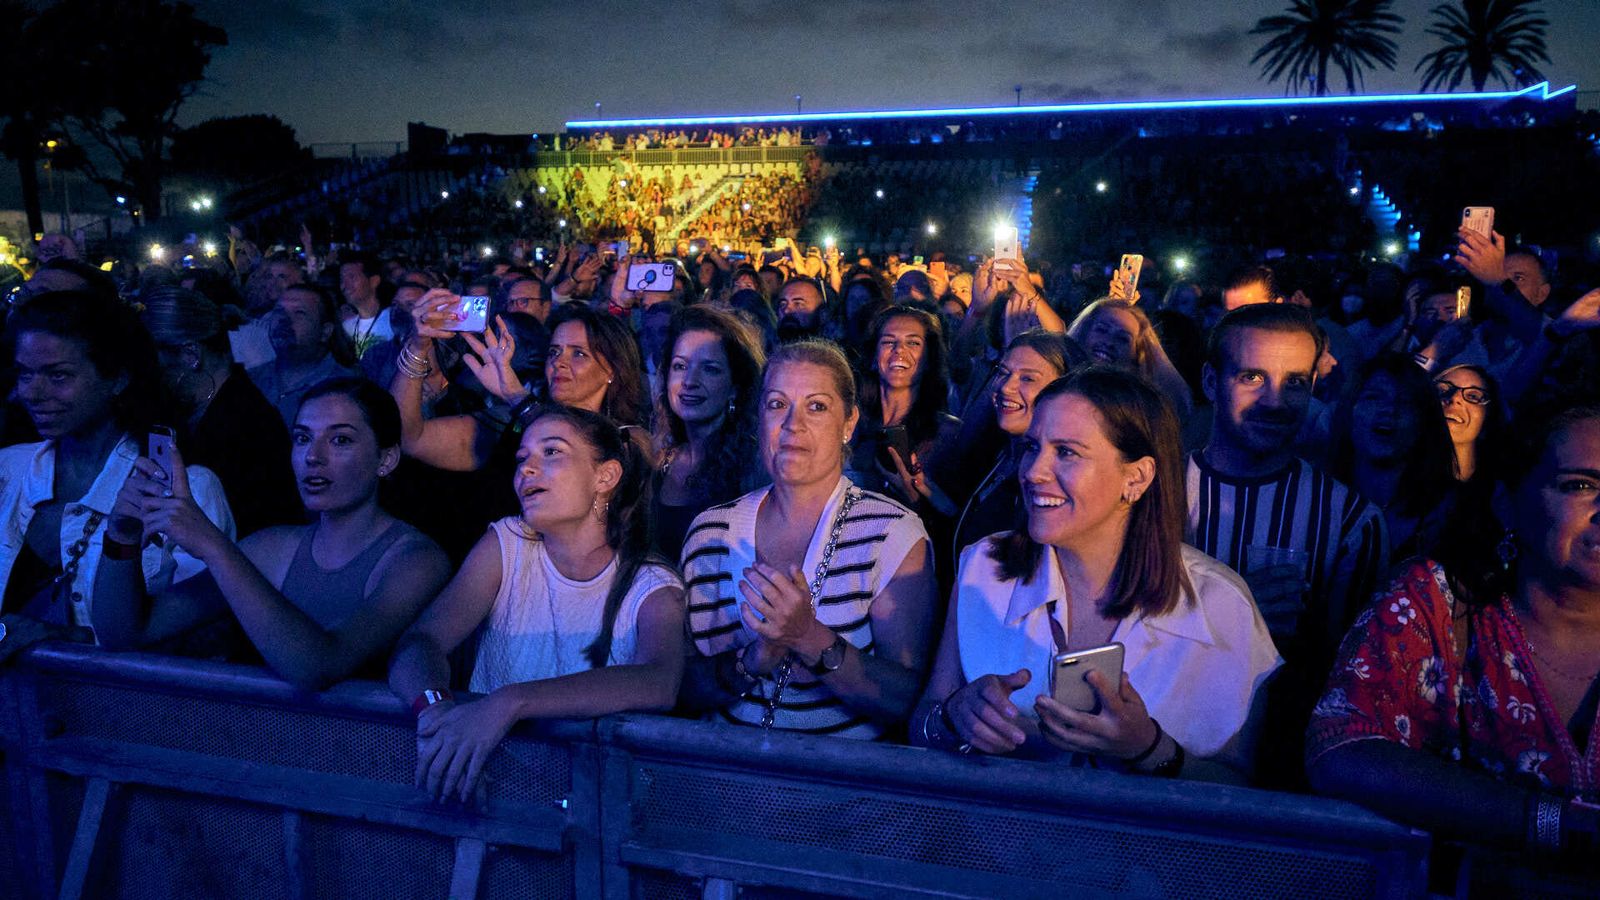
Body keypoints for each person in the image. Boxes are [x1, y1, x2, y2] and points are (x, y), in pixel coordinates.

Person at [913, 370, 1280, 780]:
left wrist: (1147, 748)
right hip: (997, 838)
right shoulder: (985, 566)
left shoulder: (1220, 606)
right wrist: (953, 718)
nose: (1034, 471)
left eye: (1066, 452)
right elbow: (923, 723)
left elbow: (1244, 786)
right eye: (1032, 447)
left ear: (1136, 478)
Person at [1307, 404, 1600, 866]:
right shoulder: (1437, 604)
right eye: (1580, 486)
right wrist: (1552, 821)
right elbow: (1342, 746)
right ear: (1508, 504)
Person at [388, 405, 685, 802]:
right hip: (490, 796)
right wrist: (434, 711)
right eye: (522, 458)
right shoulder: (508, 544)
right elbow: (420, 642)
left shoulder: (650, 585)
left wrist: (511, 701)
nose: (527, 469)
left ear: (605, 476)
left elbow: (658, 681)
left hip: (594, 812)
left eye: (552, 452)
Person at [93, 379, 450, 688]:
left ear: (385, 460)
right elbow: (126, 633)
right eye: (302, 438)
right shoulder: (271, 547)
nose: (313, 456)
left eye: (340, 440)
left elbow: (318, 666)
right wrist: (122, 536)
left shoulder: (416, 560)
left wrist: (213, 545)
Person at [678, 339, 938, 739]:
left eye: (816, 406)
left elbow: (904, 700)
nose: (793, 425)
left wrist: (807, 637)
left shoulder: (891, 532)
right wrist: (754, 659)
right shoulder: (709, 533)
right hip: (726, 788)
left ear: (849, 424)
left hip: (838, 794)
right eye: (777, 405)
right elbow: (683, 689)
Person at [1187, 304, 1389, 786]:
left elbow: (1352, 683)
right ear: (1212, 383)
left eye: (1295, 382)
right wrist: (1232, 610)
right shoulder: (1147, 495)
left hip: (1281, 769)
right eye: (1254, 377)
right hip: (1155, 756)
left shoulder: (1352, 521)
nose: (1275, 401)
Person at [0, 291, 234, 656]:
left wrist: (69, 641)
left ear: (118, 379)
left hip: (126, 710)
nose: (33, 392)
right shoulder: (7, 471)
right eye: (25, 373)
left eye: (58, 375)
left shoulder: (184, 491)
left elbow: (203, 640)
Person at [141, 285, 302, 538]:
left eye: (153, 361)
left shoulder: (250, 426)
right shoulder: (180, 413)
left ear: (191, 354)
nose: (149, 374)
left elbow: (263, 531)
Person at [945, 330, 1086, 563]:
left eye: (1027, 378)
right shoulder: (1000, 454)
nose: (1006, 387)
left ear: (1065, 389)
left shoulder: (1060, 477)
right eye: (1002, 373)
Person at [651, 306, 766, 562]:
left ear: (735, 388)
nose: (690, 381)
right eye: (680, 366)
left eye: (710, 369)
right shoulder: (657, 462)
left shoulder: (756, 468)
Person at [1329, 353, 1457, 560]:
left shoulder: (1452, 511)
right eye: (1374, 397)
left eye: (1406, 401)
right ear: (1349, 409)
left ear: (1424, 421)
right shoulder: (1313, 499)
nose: (1389, 410)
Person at [846, 305, 960, 516]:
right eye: (889, 341)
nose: (899, 350)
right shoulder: (849, 423)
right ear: (873, 357)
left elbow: (957, 522)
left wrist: (916, 500)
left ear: (928, 359)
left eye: (913, 343)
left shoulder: (947, 433)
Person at [248, 284, 358, 429]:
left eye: (299, 313)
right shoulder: (251, 380)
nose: (283, 319)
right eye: (279, 311)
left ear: (325, 331)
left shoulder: (348, 391)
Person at [1066, 298, 1193, 421]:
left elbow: (1180, 404)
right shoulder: (1058, 379)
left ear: (1136, 355)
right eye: (1102, 330)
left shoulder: (1132, 413)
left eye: (1123, 338)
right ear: (1084, 332)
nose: (1109, 342)